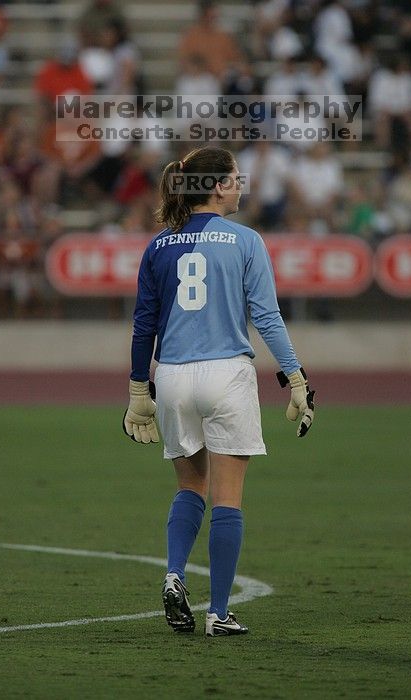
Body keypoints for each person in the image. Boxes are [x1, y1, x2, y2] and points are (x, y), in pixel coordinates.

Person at [123, 146, 315, 637]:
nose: (239, 186)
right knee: (228, 499)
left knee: (190, 488)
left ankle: (173, 574)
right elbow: (267, 318)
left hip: (171, 378)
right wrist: (295, 379)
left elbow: (143, 325)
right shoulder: (246, 240)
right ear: (216, 187)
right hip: (227, 373)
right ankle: (219, 613)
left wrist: (137, 391)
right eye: (233, 179)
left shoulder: (158, 245)